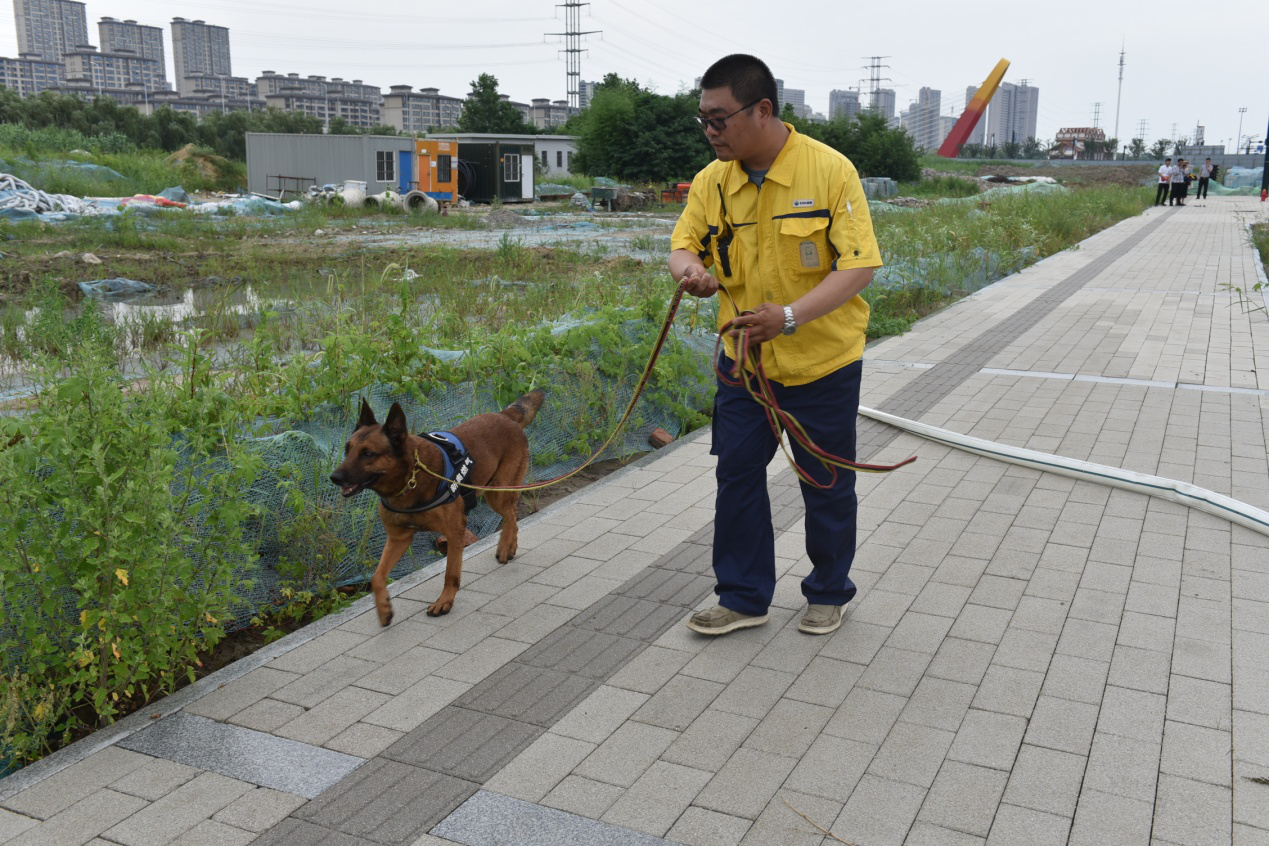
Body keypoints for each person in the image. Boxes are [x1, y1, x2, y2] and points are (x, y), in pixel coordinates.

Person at [668, 54, 883, 637]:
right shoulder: (713, 182)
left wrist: (789, 317)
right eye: (703, 120)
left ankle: (829, 591)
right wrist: (692, 273)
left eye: (719, 119)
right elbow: (684, 246)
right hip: (744, 365)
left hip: (822, 365)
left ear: (762, 110)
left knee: (826, 480)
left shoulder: (829, 171)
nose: (710, 131)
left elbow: (859, 266)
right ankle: (742, 597)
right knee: (737, 475)